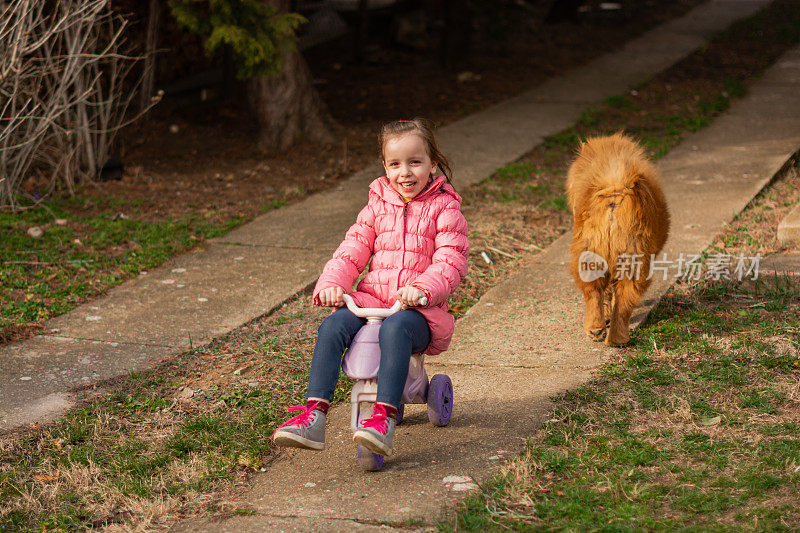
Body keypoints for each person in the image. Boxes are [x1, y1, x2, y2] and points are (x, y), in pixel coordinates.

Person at [271, 118, 469, 456]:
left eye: (415, 162)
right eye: (395, 164)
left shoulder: (445, 208)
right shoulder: (377, 204)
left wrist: (423, 288)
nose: (404, 172)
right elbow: (353, 248)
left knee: (396, 330)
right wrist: (333, 282)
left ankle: (384, 418)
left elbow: (451, 259)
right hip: (373, 300)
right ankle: (314, 415)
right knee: (334, 325)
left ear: (433, 163)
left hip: (418, 311)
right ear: (384, 167)